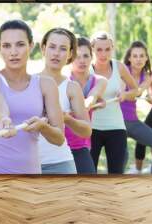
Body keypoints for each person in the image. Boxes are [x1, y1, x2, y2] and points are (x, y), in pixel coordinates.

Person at [0, 20, 64, 174]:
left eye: (20, 44)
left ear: (31, 45)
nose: (13, 52)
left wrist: (43, 127)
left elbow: (59, 139)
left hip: (30, 172)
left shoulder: (46, 84)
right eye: (6, 46)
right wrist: (4, 118)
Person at [38, 28, 91, 174]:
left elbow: (87, 131)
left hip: (60, 163)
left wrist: (67, 119)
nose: (56, 53)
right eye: (52, 47)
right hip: (26, 164)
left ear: (70, 54)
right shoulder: (27, 83)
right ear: (43, 49)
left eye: (63, 49)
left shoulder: (72, 88)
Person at [89, 31, 139, 174]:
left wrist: (125, 94)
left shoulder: (119, 67)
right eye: (99, 49)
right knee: (89, 174)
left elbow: (136, 90)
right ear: (92, 50)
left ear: (112, 48)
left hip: (116, 128)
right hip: (91, 129)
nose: (103, 54)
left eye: (107, 49)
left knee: (116, 174)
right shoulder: (87, 70)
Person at [121, 41, 152, 174]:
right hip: (118, 123)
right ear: (129, 58)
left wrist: (151, 99)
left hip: (133, 121)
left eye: (142, 56)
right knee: (123, 156)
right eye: (135, 56)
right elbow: (133, 92)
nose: (138, 59)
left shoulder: (147, 76)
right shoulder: (123, 71)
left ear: (146, 58)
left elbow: (143, 93)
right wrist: (136, 92)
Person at [67, 37, 107, 174]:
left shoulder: (100, 81)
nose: (82, 60)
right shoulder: (64, 81)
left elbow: (92, 96)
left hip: (81, 143)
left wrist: (91, 103)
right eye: (77, 56)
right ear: (70, 58)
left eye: (86, 56)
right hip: (60, 143)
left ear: (92, 57)